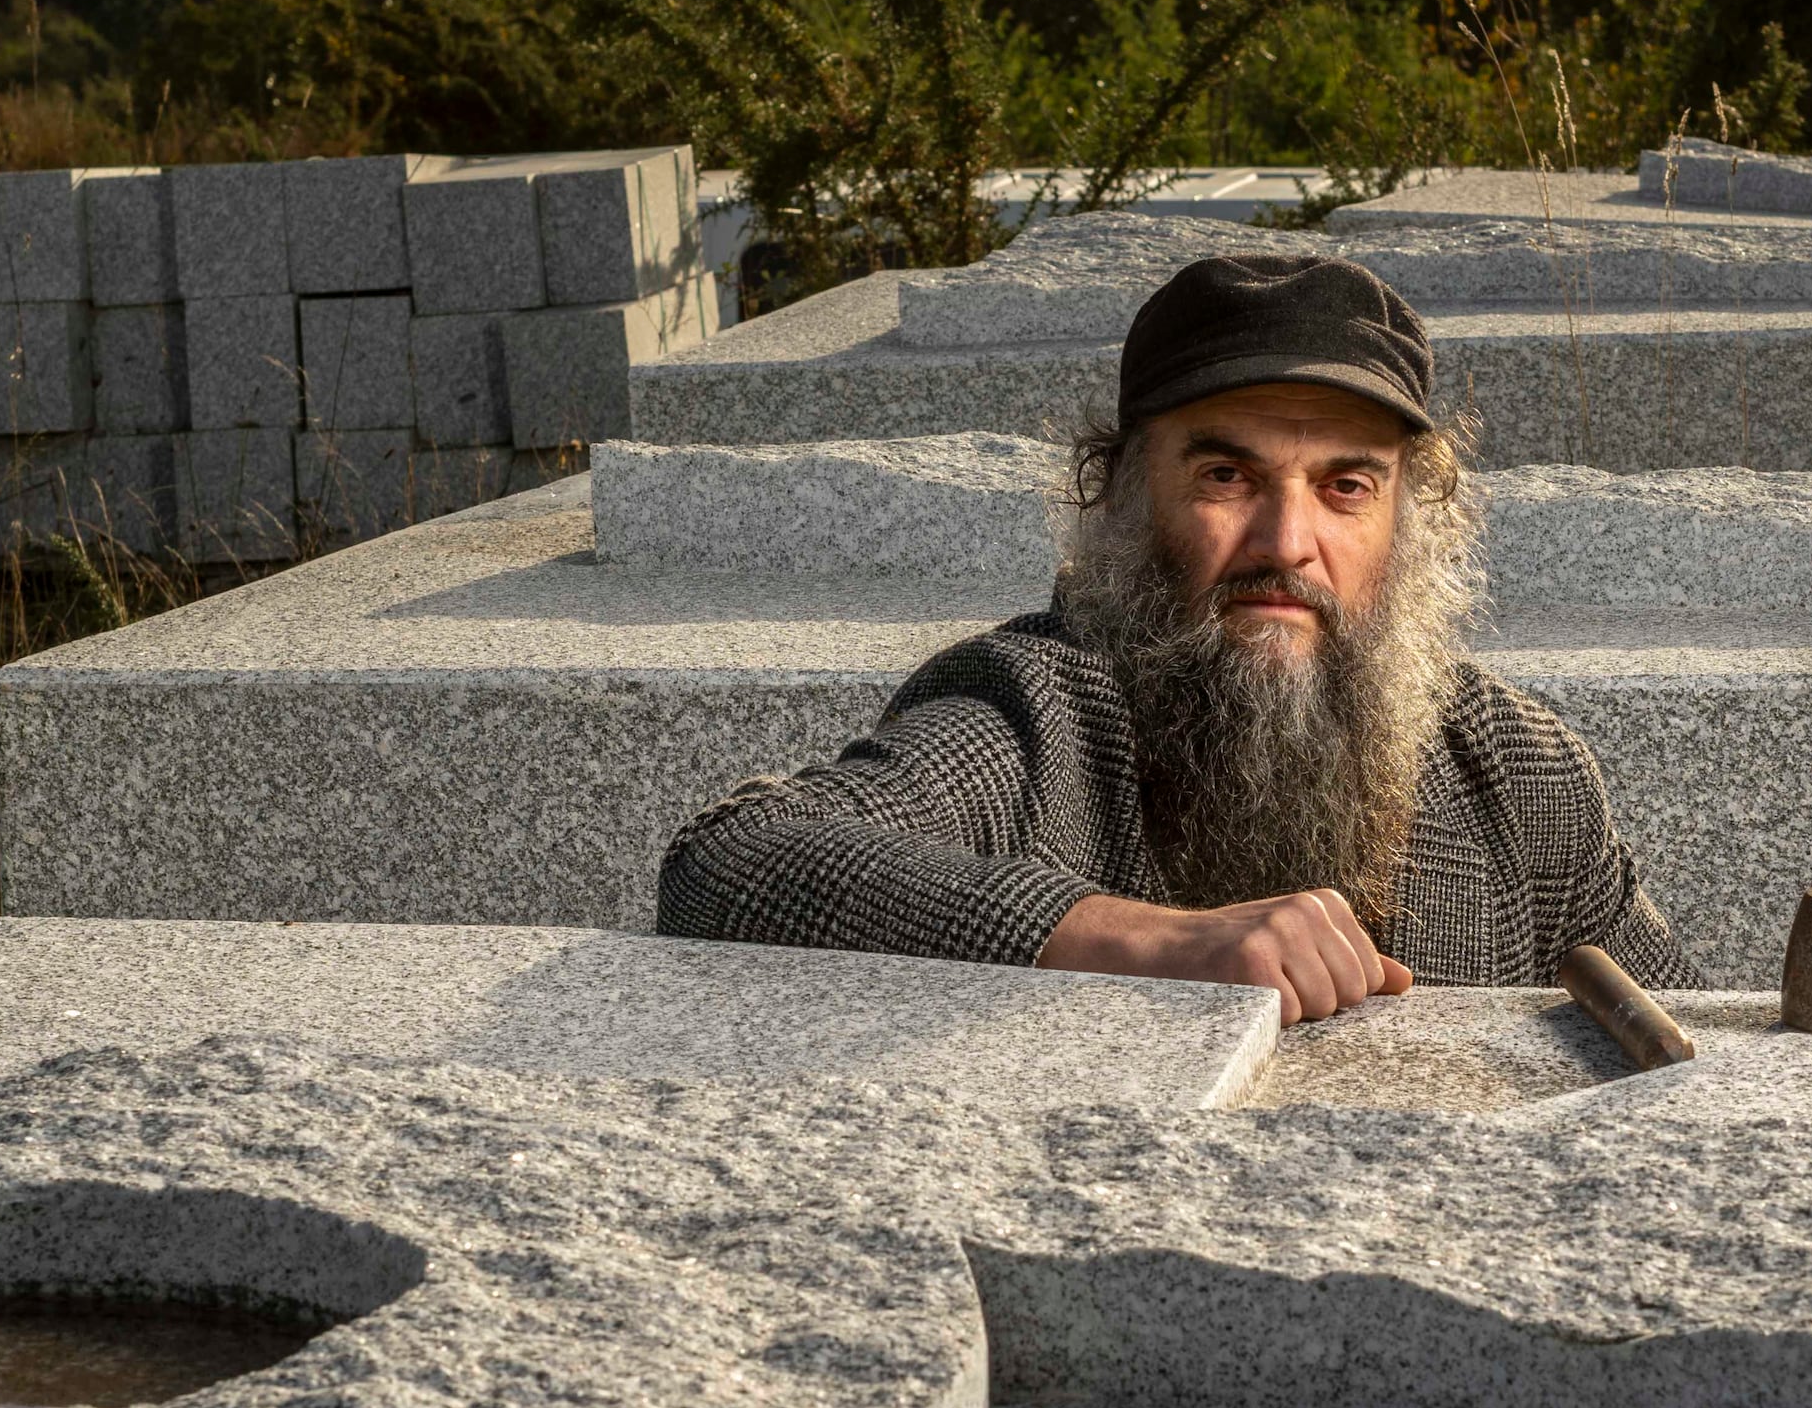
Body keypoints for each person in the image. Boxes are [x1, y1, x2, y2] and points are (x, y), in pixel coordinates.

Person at [656, 250, 1689, 1022]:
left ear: (1407, 521)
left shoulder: (1513, 768)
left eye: (1344, 486)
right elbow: (729, 863)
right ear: (1119, 495)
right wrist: (1149, 941)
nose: (1286, 542)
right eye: (1225, 476)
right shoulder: (1035, 720)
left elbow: (1696, 1033)